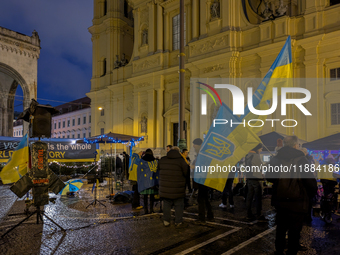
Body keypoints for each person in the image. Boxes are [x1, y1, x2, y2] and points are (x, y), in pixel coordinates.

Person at [267, 136, 317, 255]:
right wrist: (309, 195)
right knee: (294, 231)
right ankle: (291, 251)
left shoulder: (276, 158)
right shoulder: (301, 159)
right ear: (296, 145)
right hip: (297, 201)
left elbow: (269, 177)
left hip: (280, 199)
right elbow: (310, 182)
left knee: (281, 228)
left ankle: (279, 251)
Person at [158, 146, 188, 228]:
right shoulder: (181, 161)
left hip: (165, 188)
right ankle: (178, 221)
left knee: (167, 204)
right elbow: (186, 173)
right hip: (178, 187)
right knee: (178, 205)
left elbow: (158, 170)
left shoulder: (162, 160)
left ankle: (166, 220)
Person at [192, 138, 214, 224]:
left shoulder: (202, 153)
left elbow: (203, 166)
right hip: (204, 178)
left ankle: (201, 218)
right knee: (205, 198)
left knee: (201, 199)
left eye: (194, 144)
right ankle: (210, 215)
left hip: (202, 178)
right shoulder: (203, 152)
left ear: (198, 145)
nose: (193, 146)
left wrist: (194, 167)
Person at [245, 143, 266, 221]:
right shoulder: (256, 156)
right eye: (261, 149)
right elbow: (261, 167)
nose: (261, 150)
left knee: (249, 196)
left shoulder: (247, 155)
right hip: (256, 178)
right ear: (257, 149)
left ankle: (248, 213)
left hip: (249, 178)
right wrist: (268, 164)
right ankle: (258, 214)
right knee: (258, 197)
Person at [139, 149, 159, 214]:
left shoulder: (141, 161)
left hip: (144, 181)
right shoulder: (155, 161)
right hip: (152, 181)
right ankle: (151, 209)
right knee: (151, 196)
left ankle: (146, 210)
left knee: (145, 196)